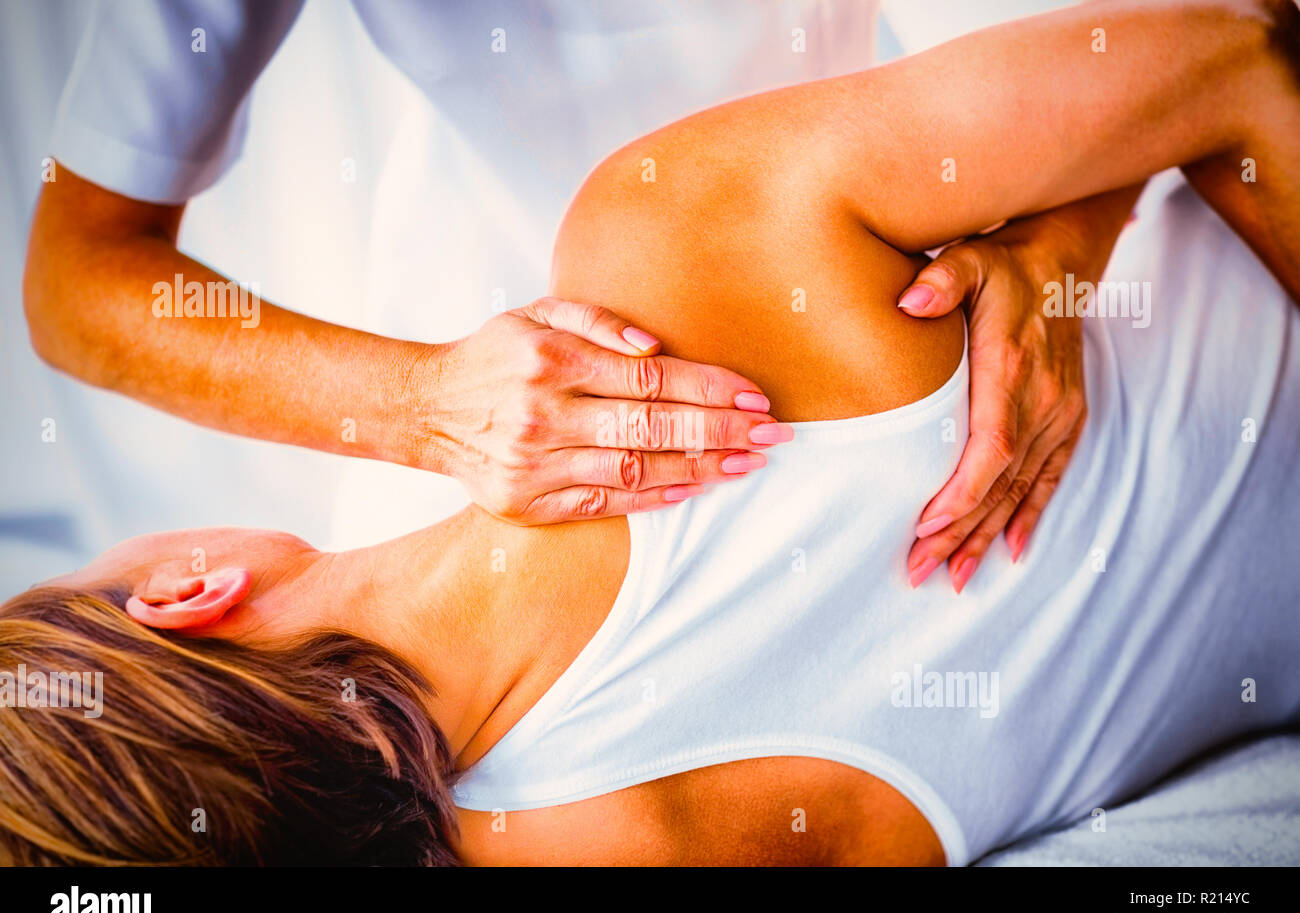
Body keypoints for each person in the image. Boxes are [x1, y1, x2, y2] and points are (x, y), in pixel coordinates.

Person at [3, 0, 1297, 866]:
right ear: (182, 591)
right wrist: (1068, 210)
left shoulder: (622, 840)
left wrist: (1062, 218)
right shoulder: (671, 242)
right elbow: (1236, 54)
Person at [26, 0, 1116, 588]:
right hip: (497, 386)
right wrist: (427, 404)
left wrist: (1066, 240)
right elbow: (79, 278)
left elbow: (1212, 33)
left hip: (912, 259)